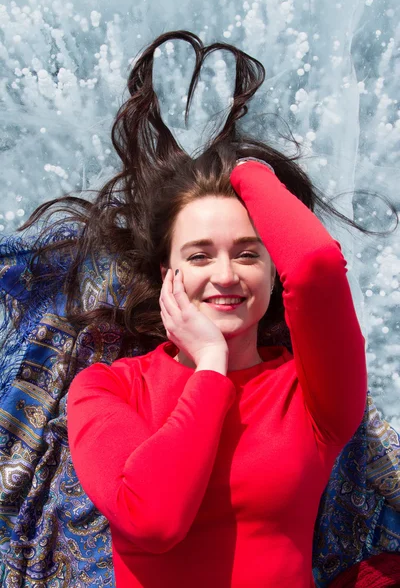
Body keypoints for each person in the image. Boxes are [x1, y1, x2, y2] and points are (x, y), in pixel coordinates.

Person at [1, 30, 400, 587]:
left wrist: (243, 170)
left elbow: (316, 267)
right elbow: (153, 519)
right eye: (199, 255)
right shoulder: (105, 387)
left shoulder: (310, 392)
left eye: (246, 253)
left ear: (270, 270)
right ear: (170, 275)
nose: (225, 274)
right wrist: (210, 366)